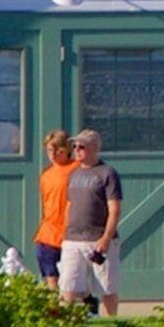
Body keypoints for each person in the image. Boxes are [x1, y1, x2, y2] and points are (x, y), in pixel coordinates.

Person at [57, 132, 124, 316]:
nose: (77, 151)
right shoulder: (74, 174)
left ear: (95, 148)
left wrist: (106, 237)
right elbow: (70, 205)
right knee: (68, 285)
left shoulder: (107, 173)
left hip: (98, 239)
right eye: (75, 147)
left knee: (107, 287)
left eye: (82, 147)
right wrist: (64, 232)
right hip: (73, 238)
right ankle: (66, 325)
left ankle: (112, 322)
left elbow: (114, 209)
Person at [33, 131, 75, 285]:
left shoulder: (77, 169)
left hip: (70, 232)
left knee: (74, 278)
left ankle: (87, 300)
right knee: (50, 273)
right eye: (50, 150)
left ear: (67, 150)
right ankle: (54, 306)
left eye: (59, 150)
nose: (54, 154)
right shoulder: (46, 174)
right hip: (49, 232)